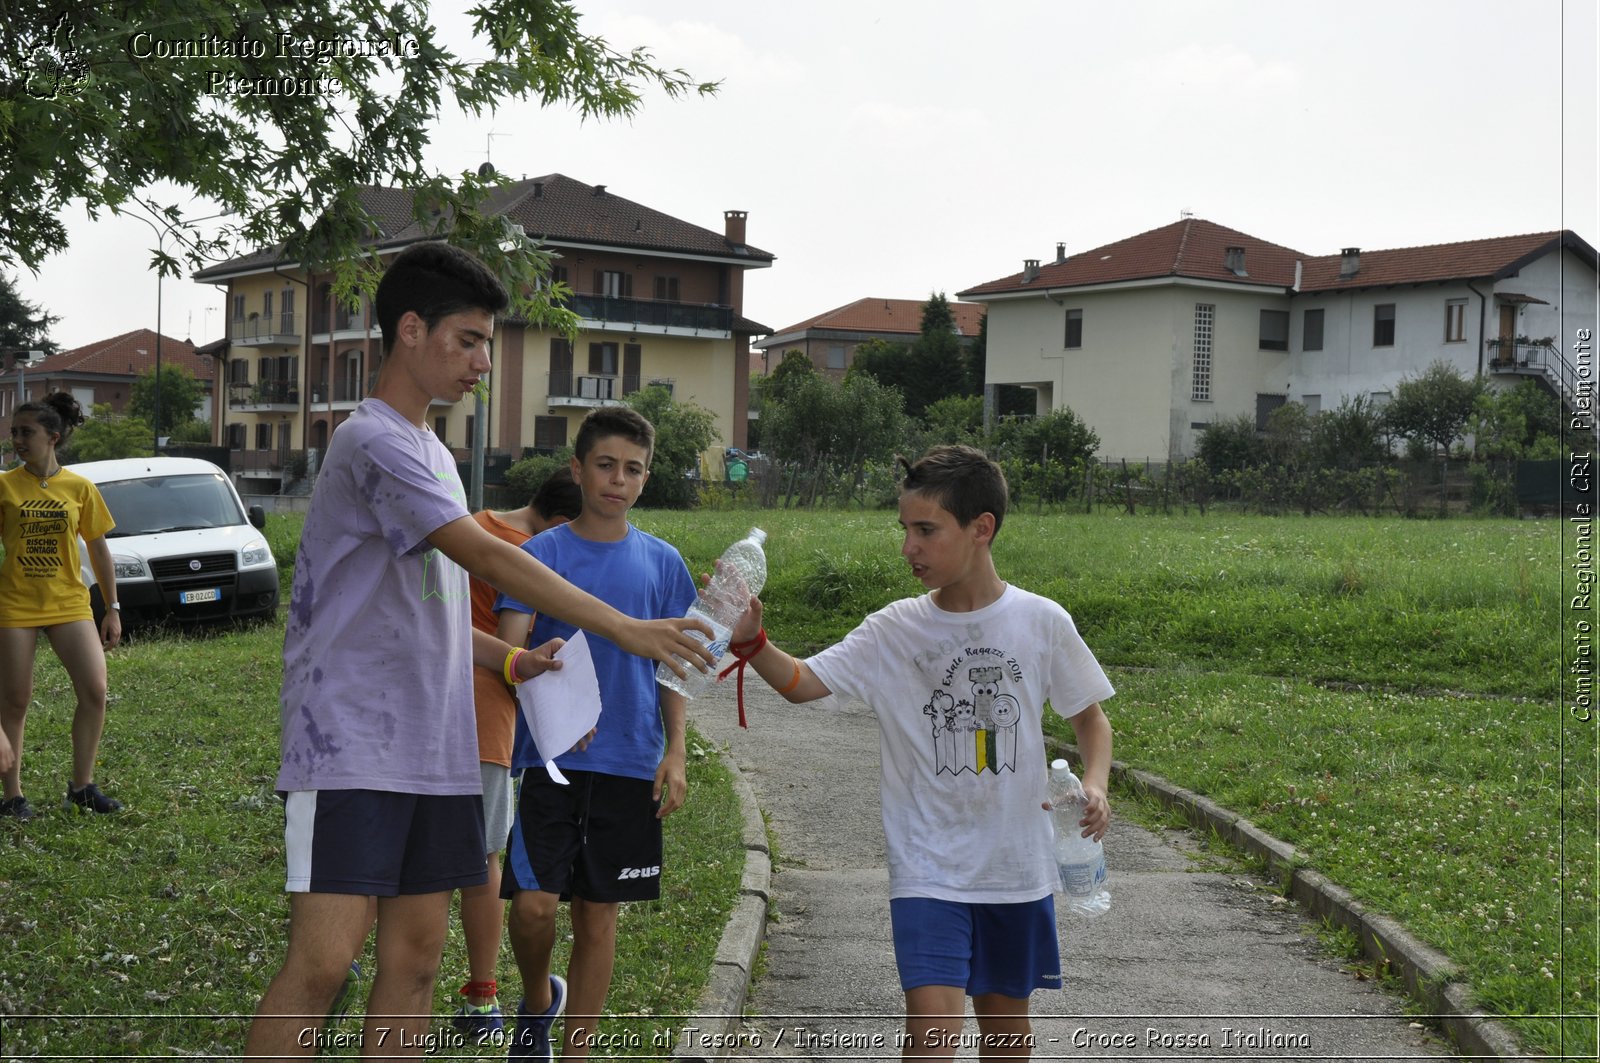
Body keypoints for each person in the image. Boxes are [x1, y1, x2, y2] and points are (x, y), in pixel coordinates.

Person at [243, 242, 714, 1061]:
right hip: (352, 745)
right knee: (322, 963)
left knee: (419, 962)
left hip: (439, 748)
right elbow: (491, 559)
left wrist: (506, 659)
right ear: (411, 329)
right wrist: (626, 628)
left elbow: (431, 606)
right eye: (469, 340)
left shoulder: (432, 450)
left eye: (489, 343)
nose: (484, 362)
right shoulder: (374, 441)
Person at [725, 445, 1115, 1061]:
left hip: (1015, 868)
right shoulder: (893, 629)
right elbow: (804, 683)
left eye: (926, 530)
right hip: (927, 868)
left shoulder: (1041, 622)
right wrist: (753, 642)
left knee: (1007, 1040)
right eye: (904, 529)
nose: (909, 546)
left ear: (981, 528)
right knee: (930, 1039)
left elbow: (1091, 719)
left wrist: (1095, 784)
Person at [496, 407, 698, 1062]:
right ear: (578, 468)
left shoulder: (664, 564)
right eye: (605, 464)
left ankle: (575, 1052)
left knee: (598, 913)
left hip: (629, 764)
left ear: (646, 477)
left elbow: (676, 668)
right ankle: (535, 1001)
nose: (618, 479)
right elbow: (509, 654)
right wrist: (553, 696)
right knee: (533, 907)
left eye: (632, 468)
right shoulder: (538, 556)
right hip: (551, 764)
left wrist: (676, 751)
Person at [451, 467, 583, 1035]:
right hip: (485, 717)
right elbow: (514, 652)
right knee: (482, 857)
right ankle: (483, 998)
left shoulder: (473, 526)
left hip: (425, 708)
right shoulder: (530, 552)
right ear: (558, 522)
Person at [0, 392, 124, 821]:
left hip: (70, 603)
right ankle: (12, 796)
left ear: (52, 437)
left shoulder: (79, 487)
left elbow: (99, 549)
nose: (18, 439)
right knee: (15, 700)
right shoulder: (4, 485)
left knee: (95, 690)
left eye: (26, 432)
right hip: (16, 603)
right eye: (15, 432)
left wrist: (112, 607)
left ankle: (82, 787)